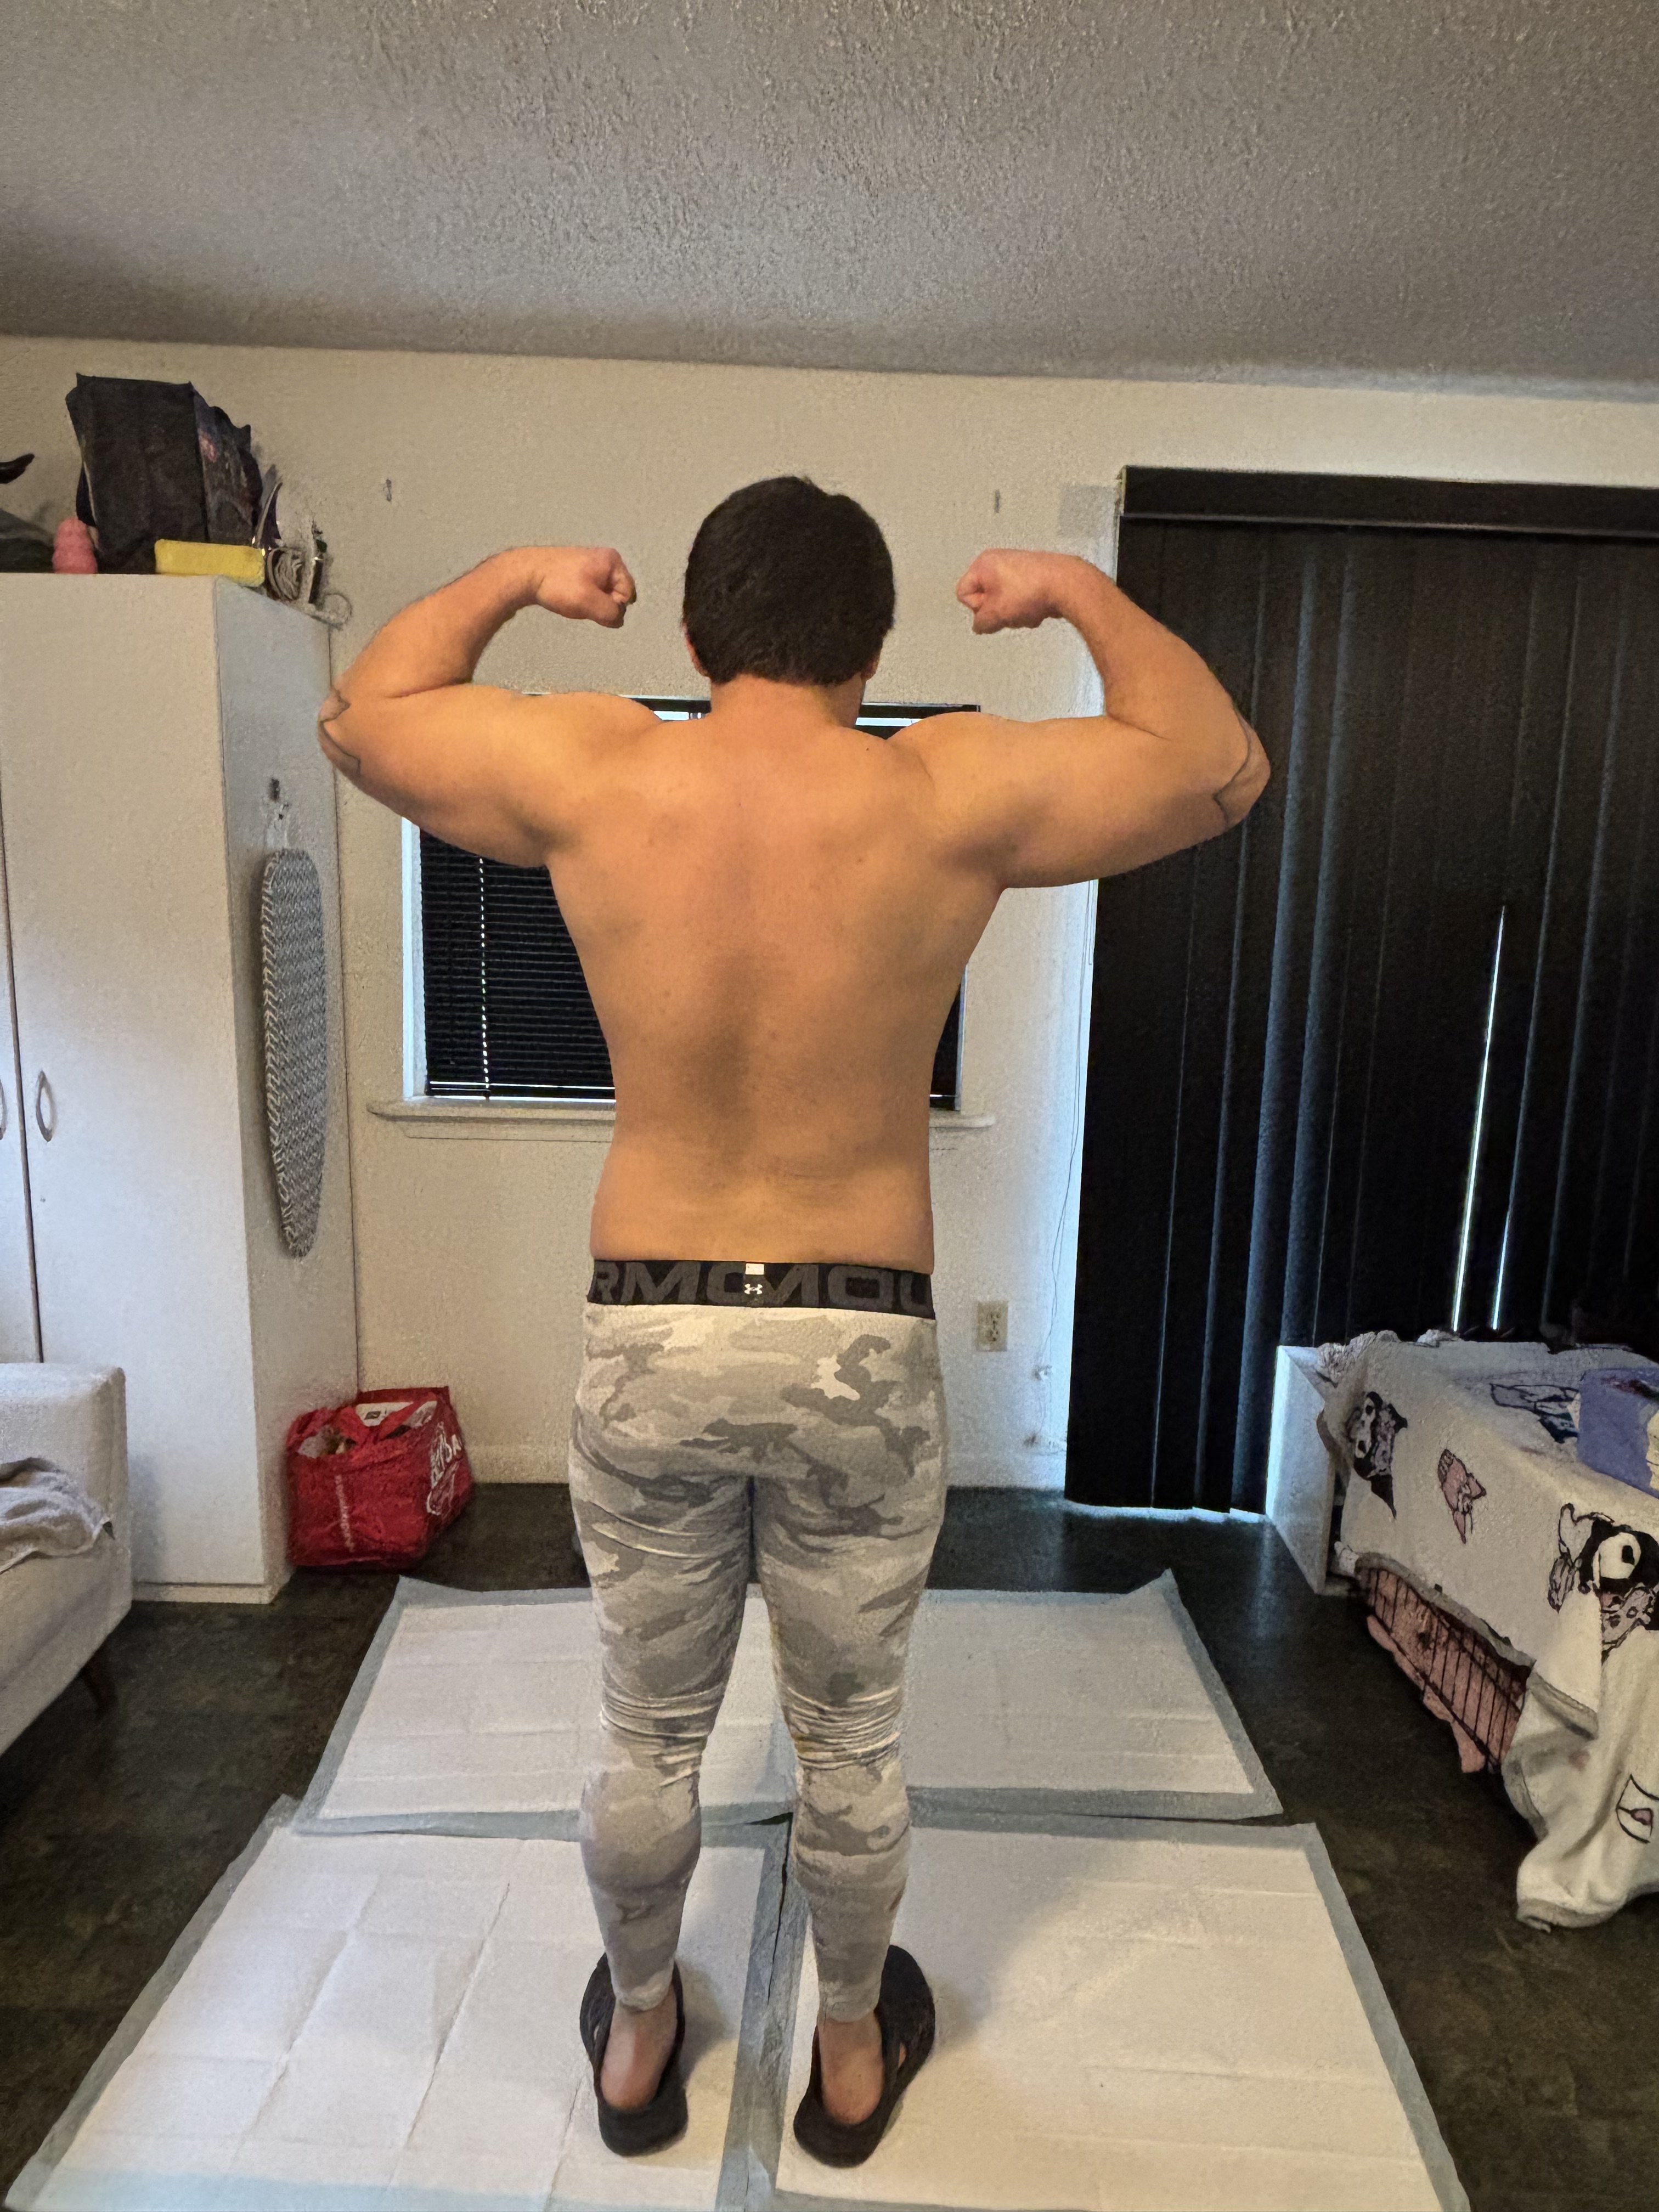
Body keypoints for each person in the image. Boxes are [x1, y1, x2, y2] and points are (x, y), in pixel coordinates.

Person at [318, 476, 1268, 2164]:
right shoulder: (946, 784)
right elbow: (1219, 767)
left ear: (697, 634)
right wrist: (1074, 592)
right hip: (857, 1338)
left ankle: (637, 2039)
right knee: (850, 1738)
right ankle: (845, 2056)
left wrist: (519, 571)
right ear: (870, 645)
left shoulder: (599, 765)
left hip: (656, 1331)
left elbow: (362, 714)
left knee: (649, 1733)